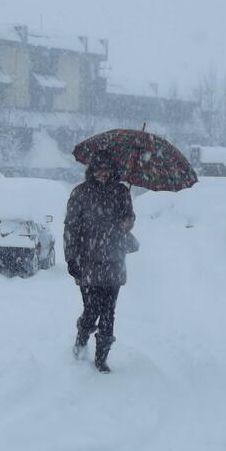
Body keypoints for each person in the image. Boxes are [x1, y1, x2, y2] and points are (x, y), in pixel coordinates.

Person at [63, 152, 135, 373]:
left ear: (113, 171)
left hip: (114, 260)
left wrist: (127, 222)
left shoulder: (122, 191)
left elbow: (130, 218)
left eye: (107, 170)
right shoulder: (81, 193)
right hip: (88, 262)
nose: (103, 174)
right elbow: (71, 227)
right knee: (91, 308)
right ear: (92, 171)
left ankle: (101, 358)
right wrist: (71, 258)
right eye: (99, 169)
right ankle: (81, 341)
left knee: (109, 311)